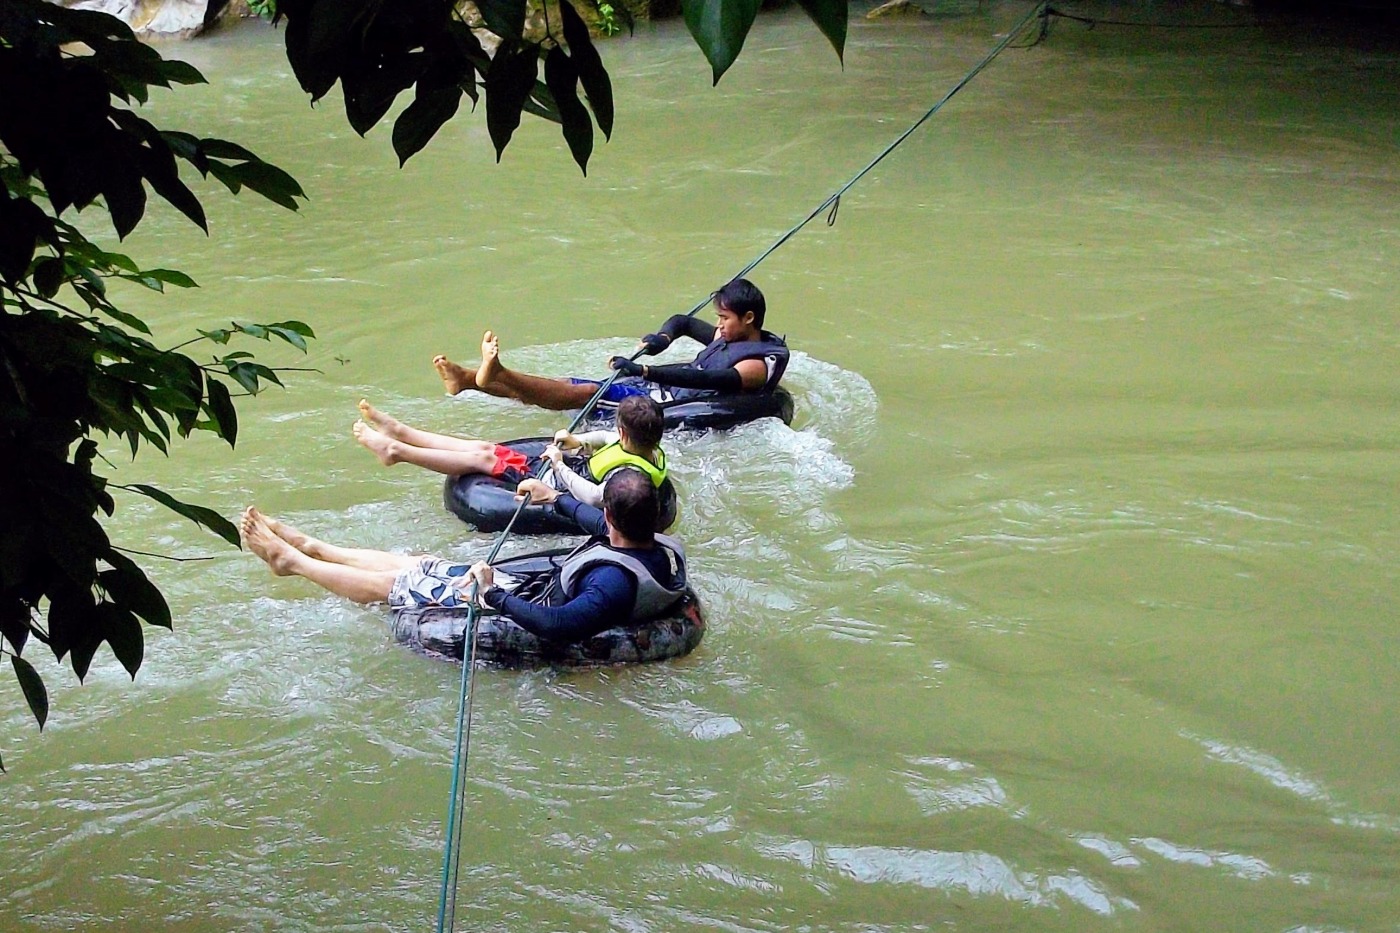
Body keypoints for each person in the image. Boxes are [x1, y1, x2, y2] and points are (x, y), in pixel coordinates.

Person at [240, 469, 686, 643]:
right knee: (422, 565)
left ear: (611, 514)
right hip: (532, 589)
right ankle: (317, 547)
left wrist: (492, 595)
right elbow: (595, 527)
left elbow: (561, 626)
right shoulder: (650, 542)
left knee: (398, 586)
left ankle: (292, 562)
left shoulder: (611, 583)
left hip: (523, 607)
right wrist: (555, 498)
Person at [431, 278, 789, 412]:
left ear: (749, 319)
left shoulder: (753, 367)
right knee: (570, 384)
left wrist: (643, 369)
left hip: (673, 402)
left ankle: (497, 373)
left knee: (583, 392)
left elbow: (708, 381)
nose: (717, 325)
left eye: (724, 318)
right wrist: (661, 339)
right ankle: (466, 379)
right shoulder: (730, 335)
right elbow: (682, 322)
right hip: (663, 390)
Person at [352, 395, 667, 507]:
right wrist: (576, 441)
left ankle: (396, 451)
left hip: (558, 482)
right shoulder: (644, 442)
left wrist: (560, 466)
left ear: (626, 432)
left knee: (484, 459)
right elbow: (606, 437)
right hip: (563, 466)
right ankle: (403, 433)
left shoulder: (627, 474)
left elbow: (596, 497)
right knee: (488, 447)